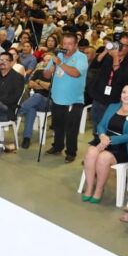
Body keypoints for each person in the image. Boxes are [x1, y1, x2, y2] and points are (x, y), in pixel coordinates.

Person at [81, 84, 128, 203]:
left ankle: (99, 190)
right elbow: (101, 125)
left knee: (103, 158)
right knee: (91, 153)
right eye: (124, 92)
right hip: (105, 138)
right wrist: (102, 136)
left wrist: (109, 140)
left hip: (123, 146)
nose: (126, 95)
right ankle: (90, 186)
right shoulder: (113, 106)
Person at [43, 32, 88, 163]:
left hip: (74, 100)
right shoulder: (58, 55)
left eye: (70, 44)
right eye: (64, 43)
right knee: (57, 125)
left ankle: (71, 152)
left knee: (71, 128)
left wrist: (60, 64)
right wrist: (50, 69)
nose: (66, 46)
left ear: (75, 45)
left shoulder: (81, 57)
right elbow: (45, 76)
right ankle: (57, 146)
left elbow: (76, 73)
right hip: (57, 98)